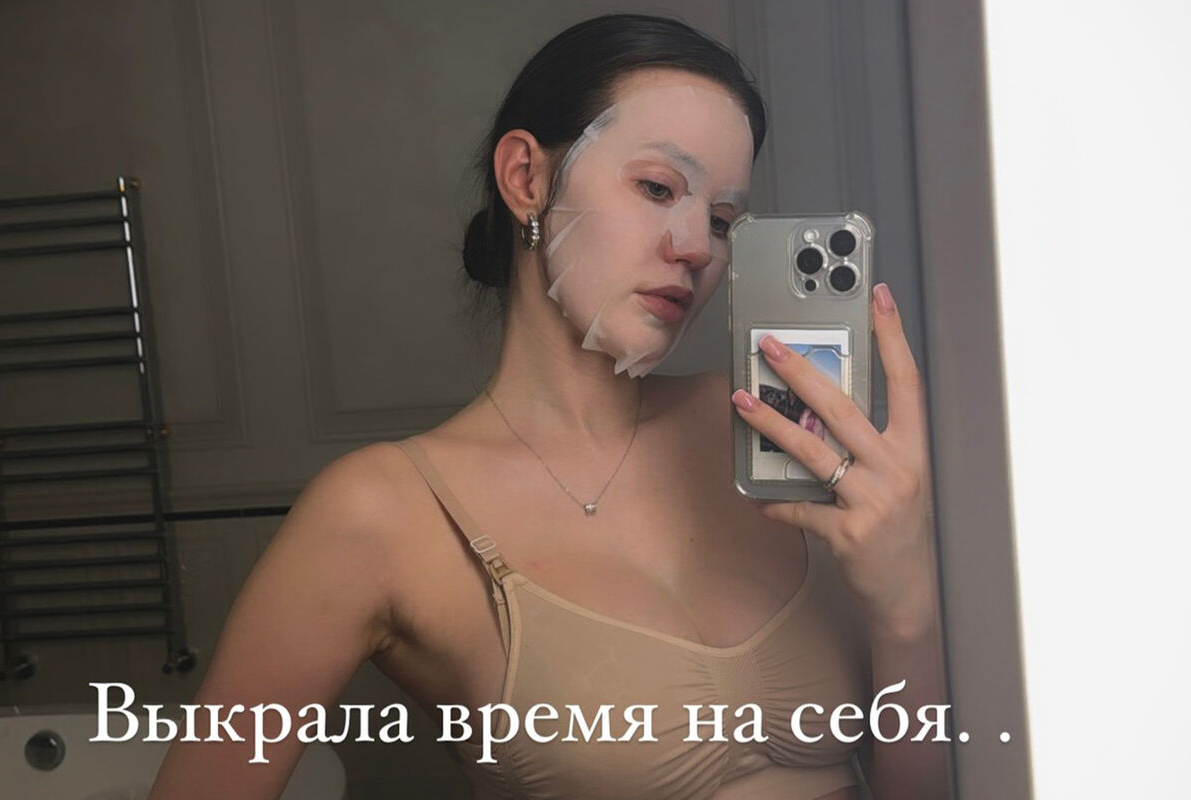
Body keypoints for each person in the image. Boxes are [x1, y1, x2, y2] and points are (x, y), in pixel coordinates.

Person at [148, 13, 945, 800]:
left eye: (721, 220)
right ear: (526, 178)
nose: (697, 246)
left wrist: (907, 607)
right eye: (657, 188)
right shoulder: (383, 513)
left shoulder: (767, 433)